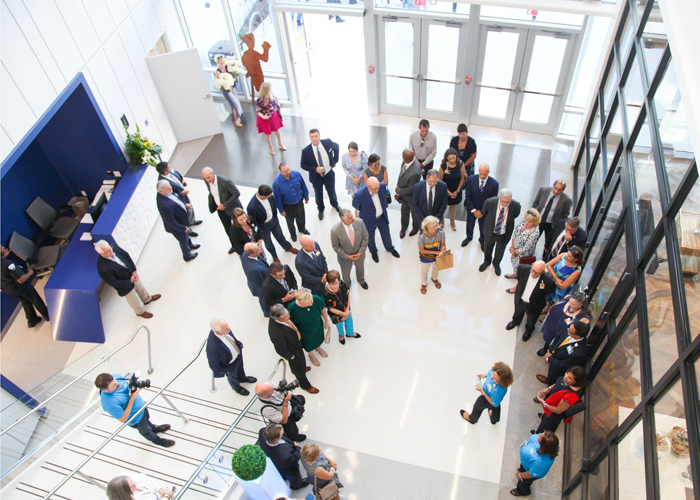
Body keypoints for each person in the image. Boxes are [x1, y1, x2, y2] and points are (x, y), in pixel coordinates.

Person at [94, 373, 174, 447]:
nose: (117, 384)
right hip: (136, 419)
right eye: (114, 385)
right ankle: (157, 440)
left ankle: (154, 429)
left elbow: (126, 384)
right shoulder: (109, 403)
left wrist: (134, 387)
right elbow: (123, 419)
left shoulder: (116, 377)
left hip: (142, 408)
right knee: (146, 431)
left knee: (147, 420)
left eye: (115, 381)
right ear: (106, 390)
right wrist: (132, 398)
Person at [95, 240, 161, 319]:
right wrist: (129, 281)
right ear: (101, 253)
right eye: (108, 251)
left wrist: (134, 270)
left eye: (110, 248)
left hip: (132, 275)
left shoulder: (114, 247)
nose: (111, 251)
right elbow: (114, 282)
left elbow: (126, 256)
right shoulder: (102, 268)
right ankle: (140, 312)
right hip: (124, 286)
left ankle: (147, 299)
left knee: (141, 289)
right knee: (134, 301)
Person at [268, 304, 318, 393]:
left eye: (287, 314)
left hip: (296, 343)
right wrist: (291, 357)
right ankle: (305, 385)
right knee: (299, 369)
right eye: (286, 316)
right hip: (293, 351)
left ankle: (298, 368)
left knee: (299, 364)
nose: (289, 316)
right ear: (278, 319)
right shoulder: (276, 333)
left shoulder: (280, 314)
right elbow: (280, 349)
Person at [352, 177, 400, 263]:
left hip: (381, 217)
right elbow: (356, 205)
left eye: (378, 187)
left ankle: (390, 248)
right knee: (370, 237)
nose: (377, 190)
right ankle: (373, 251)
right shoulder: (359, 194)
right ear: (368, 187)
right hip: (368, 220)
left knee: (386, 234)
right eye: (374, 189)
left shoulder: (382, 186)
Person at [506, 261, 556, 341]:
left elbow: (549, 291)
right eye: (533, 270)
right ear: (532, 265)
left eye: (537, 273)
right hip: (521, 298)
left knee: (531, 319)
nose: (533, 274)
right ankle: (515, 321)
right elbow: (519, 278)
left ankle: (529, 330)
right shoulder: (522, 268)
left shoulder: (548, 280)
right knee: (517, 311)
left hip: (535, 304)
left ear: (542, 272)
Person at [247, 185, 299, 262]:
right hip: (263, 227)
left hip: (274, 221)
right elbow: (253, 221)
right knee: (268, 242)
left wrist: (275, 217)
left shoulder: (269, 196)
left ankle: (288, 247)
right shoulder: (252, 206)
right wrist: (260, 231)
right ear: (262, 196)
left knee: (280, 236)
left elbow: (274, 204)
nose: (271, 196)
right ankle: (274, 256)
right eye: (269, 195)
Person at [206, 318, 257, 396]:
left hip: (237, 355)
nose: (229, 329)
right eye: (226, 328)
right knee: (233, 377)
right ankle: (237, 388)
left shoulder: (225, 330)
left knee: (240, 368)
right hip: (229, 365)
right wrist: (227, 371)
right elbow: (214, 366)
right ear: (217, 332)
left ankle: (242, 378)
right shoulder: (212, 347)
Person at [1, 245, 49, 328]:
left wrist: (4, 256)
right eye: (0, 247)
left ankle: (32, 320)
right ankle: (47, 314)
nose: (2, 246)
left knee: (24, 299)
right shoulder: (8, 264)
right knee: (33, 296)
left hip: (5, 289)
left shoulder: (4, 262)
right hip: (17, 286)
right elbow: (21, 279)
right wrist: (30, 273)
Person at [479, 188, 521, 276]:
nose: (505, 204)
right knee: (487, 248)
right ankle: (486, 262)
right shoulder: (490, 202)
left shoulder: (516, 205)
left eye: (508, 202)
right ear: (499, 197)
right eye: (503, 201)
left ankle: (496, 264)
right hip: (490, 231)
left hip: (504, 233)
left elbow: (516, 215)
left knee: (500, 251)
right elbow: (484, 212)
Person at [300, 129, 340, 220]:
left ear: (319, 136)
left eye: (316, 136)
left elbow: (336, 147)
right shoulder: (306, 151)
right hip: (316, 176)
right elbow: (303, 165)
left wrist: (334, 160)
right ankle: (321, 209)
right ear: (310, 138)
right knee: (318, 193)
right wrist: (315, 169)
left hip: (328, 173)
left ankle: (335, 204)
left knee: (331, 190)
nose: (314, 138)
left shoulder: (327, 143)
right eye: (312, 137)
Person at [533, 366, 586, 435]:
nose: (565, 377)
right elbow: (559, 384)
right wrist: (549, 388)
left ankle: (537, 433)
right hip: (550, 406)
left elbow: (558, 410)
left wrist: (544, 403)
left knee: (545, 428)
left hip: (553, 414)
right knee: (545, 418)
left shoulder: (570, 396)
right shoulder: (567, 381)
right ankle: (543, 417)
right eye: (567, 373)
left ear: (576, 382)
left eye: (569, 378)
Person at [156, 180, 199, 262]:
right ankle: (187, 256)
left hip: (181, 221)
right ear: (161, 192)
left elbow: (176, 199)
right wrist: (182, 228)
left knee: (186, 236)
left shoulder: (167, 192)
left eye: (170, 187)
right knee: (183, 240)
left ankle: (190, 245)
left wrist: (185, 205)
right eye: (168, 189)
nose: (171, 189)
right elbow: (171, 221)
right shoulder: (164, 206)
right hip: (177, 226)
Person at [202, 167, 242, 254]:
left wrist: (224, 204)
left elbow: (236, 193)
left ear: (213, 174)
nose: (207, 180)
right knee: (228, 229)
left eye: (208, 177)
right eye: (205, 178)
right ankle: (234, 246)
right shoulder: (206, 181)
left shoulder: (225, 181)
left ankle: (245, 245)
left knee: (239, 226)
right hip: (221, 210)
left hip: (232, 208)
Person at [257, 424, 309, 490]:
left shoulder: (262, 431)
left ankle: (283, 477)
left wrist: (292, 444)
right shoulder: (284, 457)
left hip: (276, 461)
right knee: (293, 476)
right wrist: (298, 448)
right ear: (276, 440)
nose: (283, 433)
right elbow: (294, 458)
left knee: (280, 471)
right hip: (288, 468)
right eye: (282, 434)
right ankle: (297, 485)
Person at [537, 320, 589, 385]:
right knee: (551, 370)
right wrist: (550, 351)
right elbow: (558, 336)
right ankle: (548, 379)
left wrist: (549, 358)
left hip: (559, 367)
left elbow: (562, 365)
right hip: (553, 356)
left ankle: (550, 384)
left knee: (555, 376)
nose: (568, 329)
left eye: (570, 330)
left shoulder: (579, 353)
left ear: (578, 336)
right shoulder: (571, 327)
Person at [538, 292, 590, 356]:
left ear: (580, 305)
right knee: (548, 340)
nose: (569, 304)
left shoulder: (583, 318)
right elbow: (555, 304)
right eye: (569, 301)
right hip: (550, 327)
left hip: (560, 336)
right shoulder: (566, 298)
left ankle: (551, 353)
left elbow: (580, 334)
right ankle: (545, 348)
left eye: (573, 304)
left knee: (555, 346)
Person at [288, 288, 330, 366]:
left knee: (318, 337)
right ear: (302, 302)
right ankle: (311, 354)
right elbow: (291, 323)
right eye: (309, 301)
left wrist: (326, 322)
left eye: (311, 298)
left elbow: (323, 310)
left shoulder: (316, 299)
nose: (312, 301)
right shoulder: (292, 308)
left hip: (317, 325)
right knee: (308, 343)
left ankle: (318, 348)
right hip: (304, 331)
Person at [511, 431, 559, 497]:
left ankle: (521, 492)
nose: (540, 434)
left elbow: (531, 474)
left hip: (530, 470)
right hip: (528, 464)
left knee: (523, 483)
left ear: (544, 445)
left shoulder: (539, 463)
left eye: (541, 436)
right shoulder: (552, 446)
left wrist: (520, 475)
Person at [462, 164, 499, 249]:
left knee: (483, 227)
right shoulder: (471, 179)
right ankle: (469, 237)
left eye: (485, 174)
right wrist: (474, 210)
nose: (482, 176)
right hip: (472, 209)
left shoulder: (494, 184)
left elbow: (492, 201)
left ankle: (482, 240)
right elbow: (468, 196)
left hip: (484, 211)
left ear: (488, 173)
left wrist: (482, 212)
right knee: (470, 224)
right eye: (481, 174)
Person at [330, 209, 369, 289]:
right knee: (345, 272)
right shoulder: (335, 231)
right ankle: (347, 285)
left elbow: (365, 237)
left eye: (352, 216)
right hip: (345, 258)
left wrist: (361, 252)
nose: (353, 219)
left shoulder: (360, 222)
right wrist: (347, 256)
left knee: (360, 268)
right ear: (344, 221)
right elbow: (336, 247)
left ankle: (361, 280)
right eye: (350, 218)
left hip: (359, 254)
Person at [156, 161, 201, 228]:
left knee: (189, 208)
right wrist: (181, 194)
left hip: (184, 194)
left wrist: (182, 180)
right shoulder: (163, 183)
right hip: (179, 198)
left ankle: (192, 221)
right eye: (169, 167)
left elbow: (176, 173)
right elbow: (171, 196)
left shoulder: (170, 171)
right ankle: (187, 229)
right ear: (165, 172)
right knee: (183, 214)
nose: (170, 167)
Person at [505, 209, 541, 291]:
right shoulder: (523, 221)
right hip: (514, 250)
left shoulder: (534, 233)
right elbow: (515, 233)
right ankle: (515, 273)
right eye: (526, 220)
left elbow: (525, 248)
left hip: (523, 255)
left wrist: (514, 251)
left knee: (522, 271)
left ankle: (516, 287)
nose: (526, 223)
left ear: (535, 222)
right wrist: (512, 247)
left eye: (529, 222)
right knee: (514, 265)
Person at [273, 163, 310, 242]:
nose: (288, 172)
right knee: (290, 222)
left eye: (288, 170)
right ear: (280, 171)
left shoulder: (296, 174)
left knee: (301, 217)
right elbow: (277, 198)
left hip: (299, 202)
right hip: (287, 206)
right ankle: (293, 234)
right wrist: (281, 210)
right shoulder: (276, 183)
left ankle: (302, 229)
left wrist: (306, 196)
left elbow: (303, 185)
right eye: (285, 171)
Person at [324, 270, 361, 344]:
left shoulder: (342, 283)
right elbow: (330, 308)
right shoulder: (326, 293)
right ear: (328, 282)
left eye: (337, 283)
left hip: (346, 309)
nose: (335, 286)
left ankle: (350, 333)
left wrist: (347, 310)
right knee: (340, 326)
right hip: (336, 313)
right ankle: (341, 335)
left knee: (349, 322)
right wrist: (343, 314)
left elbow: (348, 295)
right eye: (332, 284)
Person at [395, 149, 422, 238]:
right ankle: (404, 227)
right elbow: (400, 175)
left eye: (402, 155)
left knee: (414, 214)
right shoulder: (405, 162)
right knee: (404, 212)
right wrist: (398, 187)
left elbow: (411, 188)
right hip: (404, 195)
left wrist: (398, 191)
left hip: (412, 197)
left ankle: (415, 228)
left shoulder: (415, 172)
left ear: (406, 158)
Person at [438, 148, 466, 231]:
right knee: (443, 205)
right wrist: (449, 192)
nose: (452, 160)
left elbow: (462, 178)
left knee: (453, 205)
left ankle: (452, 220)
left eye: (454, 158)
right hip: (445, 189)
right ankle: (442, 220)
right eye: (450, 159)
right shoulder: (443, 166)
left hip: (456, 189)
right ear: (446, 158)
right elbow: (441, 181)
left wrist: (457, 191)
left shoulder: (460, 164)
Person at [417, 216, 446, 295]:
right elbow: (421, 250)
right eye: (431, 228)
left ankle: (434, 279)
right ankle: (424, 283)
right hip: (425, 257)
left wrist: (443, 250)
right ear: (426, 228)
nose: (434, 230)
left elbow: (443, 245)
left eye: (435, 227)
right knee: (424, 271)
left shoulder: (441, 233)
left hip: (437, 257)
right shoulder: (422, 237)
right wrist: (437, 253)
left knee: (436, 269)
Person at [241, 243, 271, 317]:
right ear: (251, 254)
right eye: (257, 249)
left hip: (260, 278)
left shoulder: (245, 254)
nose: (259, 249)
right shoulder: (253, 270)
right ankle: (267, 312)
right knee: (263, 298)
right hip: (260, 286)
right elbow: (260, 285)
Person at [256, 82, 286, 155]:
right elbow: (258, 110)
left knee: (277, 129)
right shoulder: (260, 99)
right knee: (267, 133)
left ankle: (280, 142)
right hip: (264, 118)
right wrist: (264, 116)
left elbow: (277, 106)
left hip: (273, 116)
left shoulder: (273, 96)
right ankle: (270, 146)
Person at [215, 55, 243, 128]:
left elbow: (232, 76)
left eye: (223, 63)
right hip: (226, 91)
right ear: (218, 63)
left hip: (232, 88)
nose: (223, 65)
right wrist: (226, 86)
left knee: (236, 102)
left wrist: (236, 76)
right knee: (234, 104)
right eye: (221, 63)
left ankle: (238, 116)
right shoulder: (218, 72)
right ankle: (236, 120)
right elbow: (217, 83)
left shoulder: (227, 68)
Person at [106, 473, 175, 499]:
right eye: (132, 486)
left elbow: (145, 478)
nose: (135, 484)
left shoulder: (121, 477)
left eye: (132, 481)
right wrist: (166, 497)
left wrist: (160, 489)